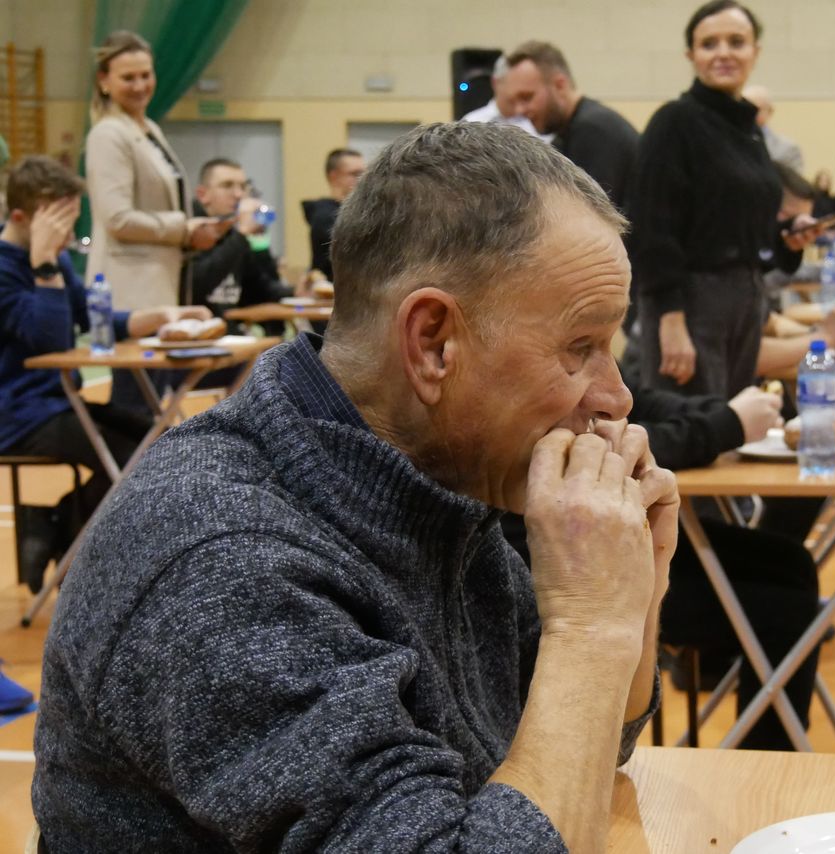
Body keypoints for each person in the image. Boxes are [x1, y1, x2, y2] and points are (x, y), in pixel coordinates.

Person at [34, 122, 676, 852]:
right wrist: (592, 628)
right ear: (433, 341)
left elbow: (592, 740)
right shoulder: (223, 557)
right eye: (580, 347)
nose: (617, 396)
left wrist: (634, 591)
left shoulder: (430, 476)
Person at [503, 377, 822, 751]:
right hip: (545, 555)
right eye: (581, 346)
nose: (619, 398)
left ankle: (769, 756)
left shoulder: (610, 397)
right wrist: (725, 423)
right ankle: (766, 757)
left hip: (623, 530)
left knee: (792, 563)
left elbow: (642, 398)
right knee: (785, 604)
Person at [0, 156, 210, 593]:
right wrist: (43, 265)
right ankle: (63, 538)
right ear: (21, 217)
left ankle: (52, 522)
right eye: (56, 223)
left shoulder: (54, 264)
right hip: (17, 416)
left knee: (160, 443)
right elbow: (51, 337)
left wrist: (162, 316)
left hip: (56, 404)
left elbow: (98, 321)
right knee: (129, 457)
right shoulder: (14, 268)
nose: (66, 235)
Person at [629, 0, 820, 400]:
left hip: (746, 298)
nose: (724, 53)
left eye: (736, 42)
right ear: (691, 56)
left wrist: (785, 237)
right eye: (709, 44)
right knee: (693, 429)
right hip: (693, 302)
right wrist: (670, 319)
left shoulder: (747, 130)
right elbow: (652, 230)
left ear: (755, 52)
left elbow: (737, 220)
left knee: (734, 427)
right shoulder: (675, 122)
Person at [85, 30, 227, 311]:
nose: (139, 86)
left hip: (163, 282)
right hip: (129, 291)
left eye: (145, 75)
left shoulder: (151, 129)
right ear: (104, 81)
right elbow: (118, 219)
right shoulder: (108, 134)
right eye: (128, 78)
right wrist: (183, 229)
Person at [505, 41, 640, 212]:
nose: (520, 110)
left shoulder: (593, 131)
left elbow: (592, 215)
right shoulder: (580, 127)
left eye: (527, 97)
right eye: (514, 101)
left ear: (560, 85)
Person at [191, 157, 294, 326]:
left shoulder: (235, 234)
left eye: (242, 186)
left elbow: (258, 290)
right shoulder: (190, 233)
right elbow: (198, 286)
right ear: (203, 195)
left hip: (232, 332)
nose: (238, 194)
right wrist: (241, 233)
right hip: (197, 331)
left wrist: (297, 291)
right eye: (227, 185)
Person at [301, 147, 365, 281]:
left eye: (364, 174)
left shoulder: (357, 212)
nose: (362, 179)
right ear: (334, 176)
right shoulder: (324, 216)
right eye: (354, 174)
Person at [461, 55, 547, 140]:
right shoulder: (471, 122)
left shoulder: (535, 123)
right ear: (495, 83)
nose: (520, 109)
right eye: (514, 83)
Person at [742, 84, 804, 173]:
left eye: (756, 109)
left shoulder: (788, 150)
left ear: (770, 111)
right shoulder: (726, 142)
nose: (749, 113)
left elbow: (793, 184)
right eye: (745, 108)